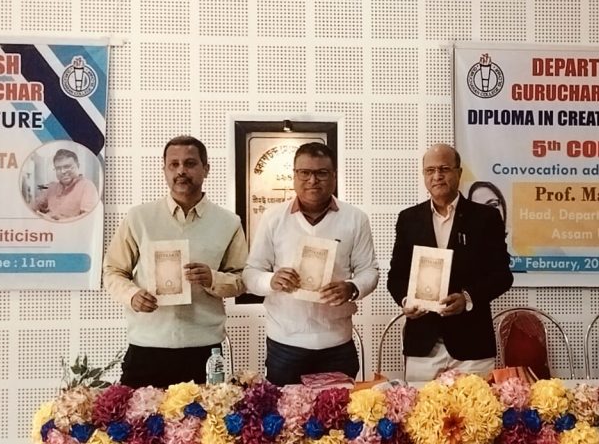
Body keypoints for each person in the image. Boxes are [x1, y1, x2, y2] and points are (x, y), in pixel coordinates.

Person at [103, 136, 248, 388]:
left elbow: (242, 279)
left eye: (190, 163)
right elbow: (113, 270)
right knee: (138, 415)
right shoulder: (139, 218)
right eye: (174, 164)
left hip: (203, 349)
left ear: (206, 169)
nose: (181, 171)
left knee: (207, 416)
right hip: (147, 347)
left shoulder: (228, 222)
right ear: (164, 170)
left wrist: (213, 279)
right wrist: (132, 295)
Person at [243, 142, 379, 386]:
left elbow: (369, 271)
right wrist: (271, 280)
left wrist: (352, 287)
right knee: (286, 409)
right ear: (294, 176)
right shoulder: (273, 218)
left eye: (321, 173)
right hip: (285, 343)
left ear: (334, 176)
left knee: (340, 409)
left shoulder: (355, 219)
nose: (312, 180)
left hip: (337, 343)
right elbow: (251, 273)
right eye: (304, 172)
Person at [388, 144, 513, 381]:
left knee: (476, 406)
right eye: (430, 170)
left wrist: (467, 298)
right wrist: (406, 300)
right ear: (424, 175)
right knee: (420, 406)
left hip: (472, 345)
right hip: (422, 345)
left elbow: (502, 276)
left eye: (444, 169)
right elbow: (396, 277)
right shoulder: (408, 219)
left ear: (459, 172)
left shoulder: (485, 218)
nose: (437, 176)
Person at [32, 148, 99, 221]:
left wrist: (57, 221)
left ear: (78, 166)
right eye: (58, 168)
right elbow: (34, 206)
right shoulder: (51, 186)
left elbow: (87, 218)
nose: (63, 171)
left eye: (67, 167)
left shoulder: (87, 186)